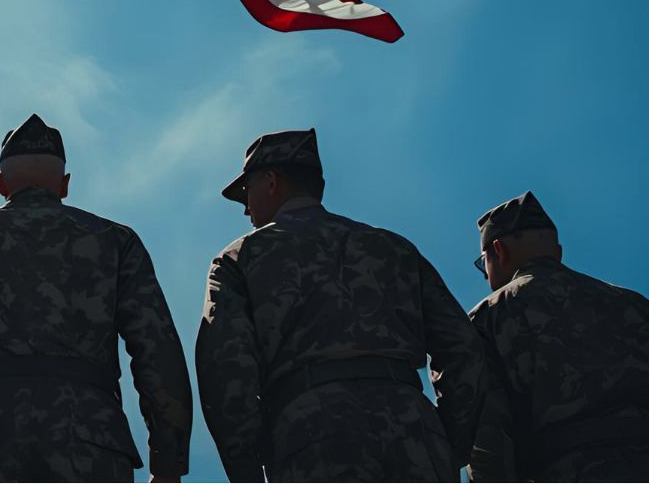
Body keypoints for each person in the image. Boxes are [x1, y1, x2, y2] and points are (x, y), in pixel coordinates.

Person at [196, 128, 507, 482]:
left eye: (246, 193)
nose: (247, 209)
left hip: (312, 438)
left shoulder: (240, 259)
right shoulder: (394, 248)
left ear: (271, 181)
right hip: (415, 433)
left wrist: (246, 472)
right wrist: (447, 440)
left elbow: (225, 370)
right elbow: (462, 348)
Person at [0, 114, 192, 482]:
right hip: (91, 443)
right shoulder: (115, 242)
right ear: (65, 184)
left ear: (0, 182)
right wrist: (167, 463)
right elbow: (157, 350)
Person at [469, 192, 649, 481]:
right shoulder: (634, 305)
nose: (485, 276)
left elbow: (487, 437)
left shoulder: (490, 317)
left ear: (499, 250)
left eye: (482, 262)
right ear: (557, 252)